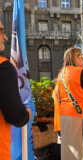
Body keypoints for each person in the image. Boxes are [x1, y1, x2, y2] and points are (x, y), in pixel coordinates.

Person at [0, 20, 31, 160]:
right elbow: (15, 116)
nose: (5, 37)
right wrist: (27, 114)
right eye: (1, 31)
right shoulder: (3, 67)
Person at [53, 47, 83, 160]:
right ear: (74, 58)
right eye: (79, 55)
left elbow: (57, 94)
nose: (82, 58)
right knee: (78, 147)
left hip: (64, 113)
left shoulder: (61, 73)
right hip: (79, 113)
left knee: (67, 146)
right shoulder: (80, 71)